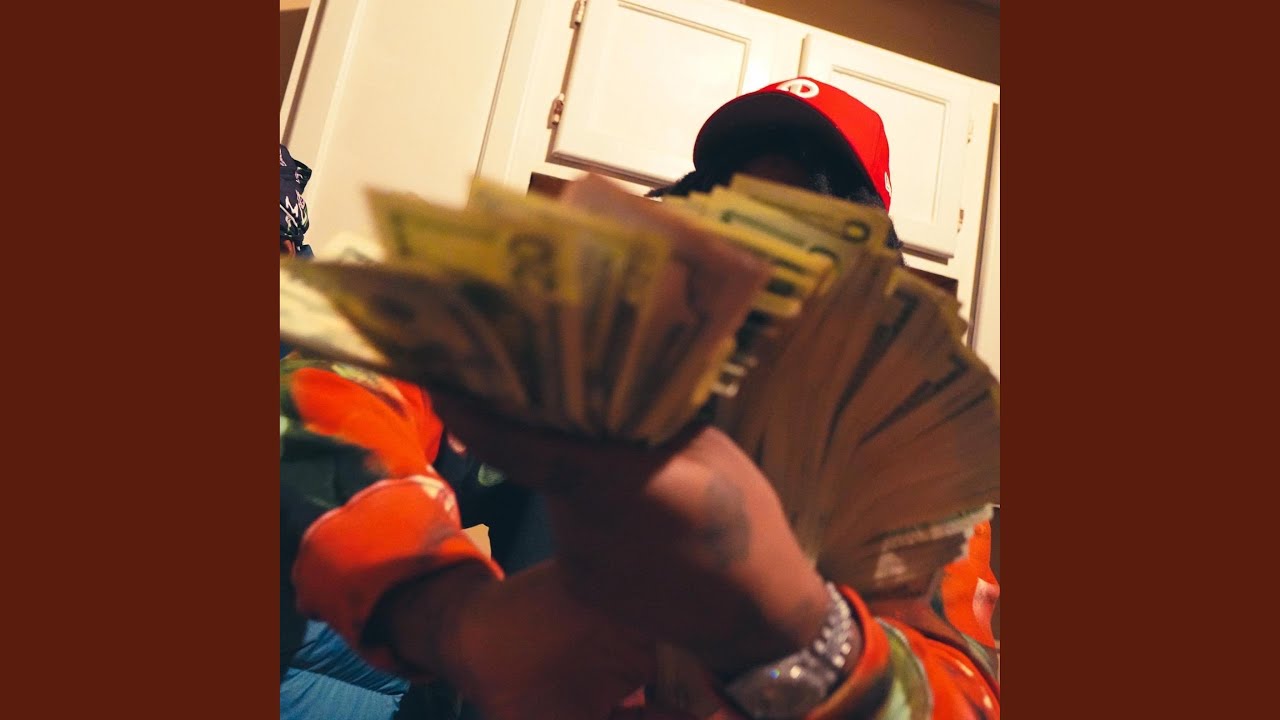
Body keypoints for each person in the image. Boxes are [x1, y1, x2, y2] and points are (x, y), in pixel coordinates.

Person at [280, 78, 1000, 719]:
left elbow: (963, 692)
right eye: (732, 219)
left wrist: (804, 633)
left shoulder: (914, 480)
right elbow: (324, 393)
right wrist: (446, 615)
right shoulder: (566, 372)